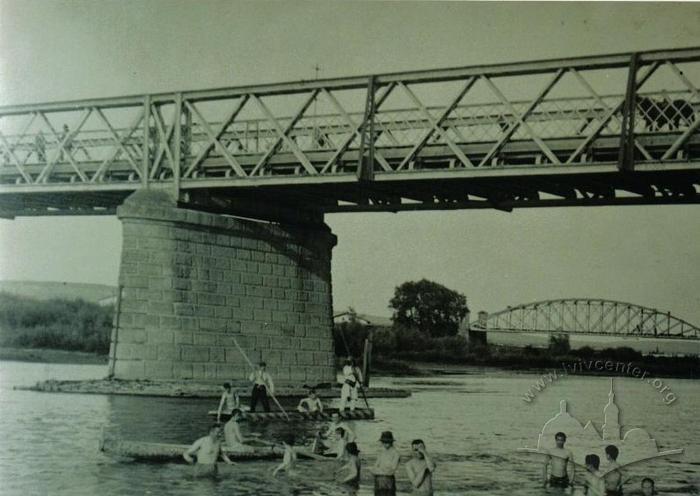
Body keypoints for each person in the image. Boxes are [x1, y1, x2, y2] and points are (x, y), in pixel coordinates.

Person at [370, 431, 400, 496]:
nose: (385, 444)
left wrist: (378, 470)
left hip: (388, 483)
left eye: (387, 442)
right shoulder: (381, 453)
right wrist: (384, 470)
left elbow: (391, 471)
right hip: (378, 482)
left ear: (391, 442)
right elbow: (373, 469)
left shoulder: (396, 454)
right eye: (383, 442)